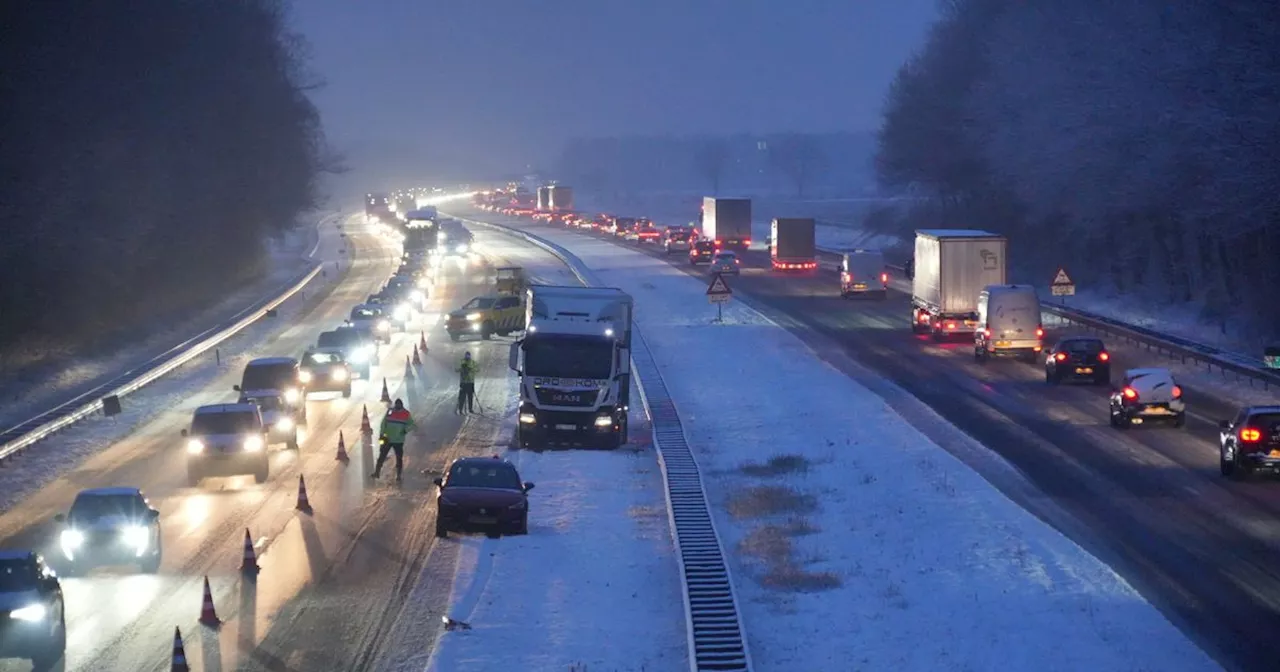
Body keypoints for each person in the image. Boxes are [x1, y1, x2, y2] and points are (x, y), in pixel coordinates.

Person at [372, 398, 415, 481]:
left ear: (401, 405)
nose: (397, 407)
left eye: (399, 405)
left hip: (398, 440)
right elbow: (383, 423)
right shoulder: (390, 412)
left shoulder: (406, 414)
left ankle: (398, 475)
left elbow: (412, 425)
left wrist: (405, 430)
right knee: (382, 456)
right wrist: (382, 434)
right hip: (388, 438)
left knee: (398, 458)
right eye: (397, 405)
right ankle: (377, 473)